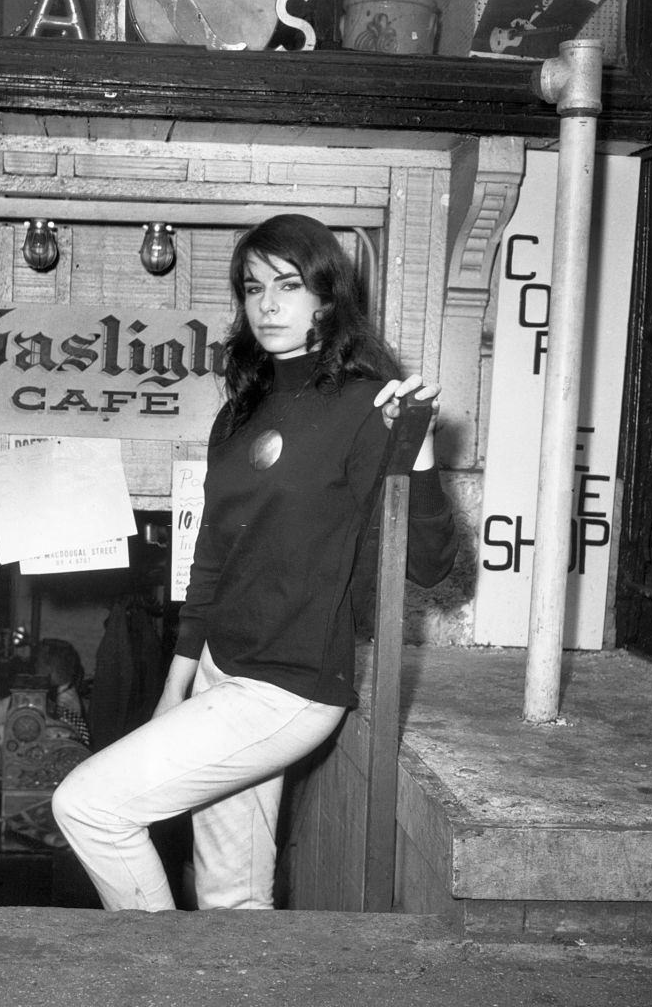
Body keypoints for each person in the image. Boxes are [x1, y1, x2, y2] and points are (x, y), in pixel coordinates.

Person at [52, 213, 457, 911]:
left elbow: (429, 563)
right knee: (230, 897)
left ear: (327, 297)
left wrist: (415, 450)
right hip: (220, 669)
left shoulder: (366, 408)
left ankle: (156, 968)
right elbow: (211, 560)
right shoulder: (241, 412)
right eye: (252, 287)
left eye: (289, 285)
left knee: (88, 807)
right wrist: (177, 688)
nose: (267, 304)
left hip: (287, 687)